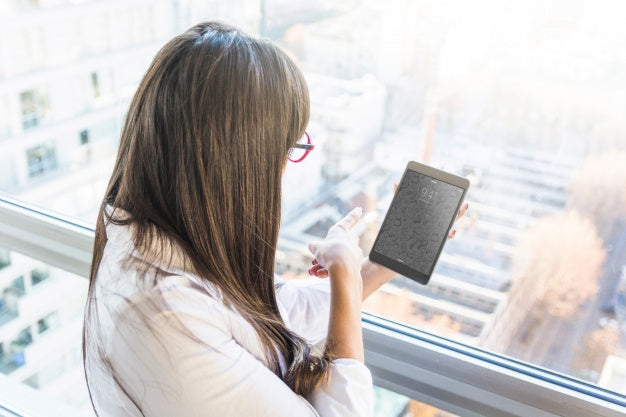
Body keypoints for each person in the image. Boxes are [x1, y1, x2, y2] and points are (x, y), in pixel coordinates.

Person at [82, 21, 466, 417]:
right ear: (241, 162)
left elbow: (283, 311)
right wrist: (345, 273)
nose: (285, 168)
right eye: (290, 148)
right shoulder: (169, 321)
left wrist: (386, 256)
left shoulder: (166, 241)